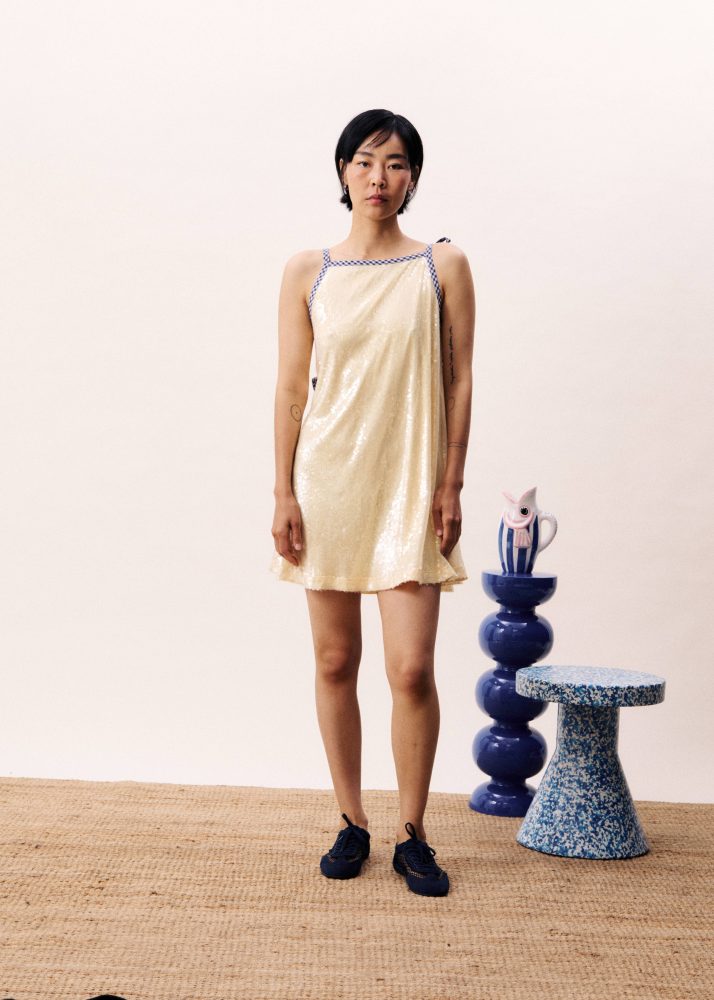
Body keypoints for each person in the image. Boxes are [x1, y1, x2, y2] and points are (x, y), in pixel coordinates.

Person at [269, 109, 475, 897]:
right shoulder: (308, 271)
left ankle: (412, 832)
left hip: (411, 486)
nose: (378, 177)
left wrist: (451, 482)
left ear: (413, 177)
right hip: (328, 482)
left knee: (411, 668)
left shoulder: (441, 266)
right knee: (334, 661)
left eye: (394, 163)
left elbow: (459, 379)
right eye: (363, 161)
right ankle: (350, 820)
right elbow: (292, 389)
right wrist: (284, 491)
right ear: (342, 171)